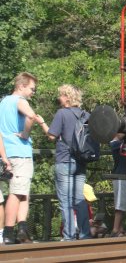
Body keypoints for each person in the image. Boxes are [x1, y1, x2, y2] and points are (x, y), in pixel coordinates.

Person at [0, 72, 47, 244]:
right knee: (16, 193)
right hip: (19, 151)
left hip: (7, 151)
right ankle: (8, 233)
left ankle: (22, 230)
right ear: (21, 86)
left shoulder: (3, 102)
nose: (33, 93)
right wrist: (26, 134)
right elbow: (31, 116)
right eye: (32, 89)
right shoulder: (19, 101)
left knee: (23, 193)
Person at [45, 84, 91, 241]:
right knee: (79, 199)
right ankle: (85, 234)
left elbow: (52, 135)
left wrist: (41, 123)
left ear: (67, 97)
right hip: (81, 162)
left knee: (65, 201)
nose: (59, 98)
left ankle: (69, 236)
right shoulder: (86, 115)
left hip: (64, 160)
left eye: (61, 95)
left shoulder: (62, 113)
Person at [110, 133, 126, 237]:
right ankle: (115, 229)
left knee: (123, 203)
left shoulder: (120, 144)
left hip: (123, 176)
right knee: (120, 204)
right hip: (119, 176)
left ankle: (120, 229)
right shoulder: (115, 144)